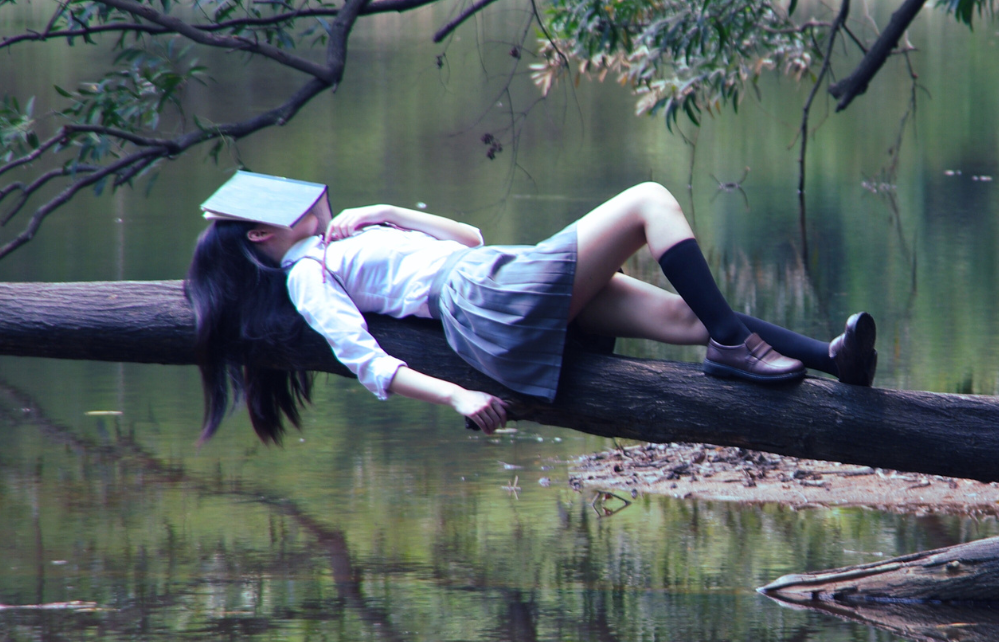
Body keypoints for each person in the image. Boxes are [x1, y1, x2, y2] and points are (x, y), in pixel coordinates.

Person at [184, 182, 877, 442]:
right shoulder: (307, 273)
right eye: (293, 208)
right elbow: (364, 357)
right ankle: (734, 348)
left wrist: (389, 211)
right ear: (261, 236)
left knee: (686, 318)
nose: (314, 204)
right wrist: (457, 396)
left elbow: (471, 239)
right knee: (649, 202)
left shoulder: (340, 240)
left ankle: (829, 359)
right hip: (486, 297)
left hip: (490, 273)